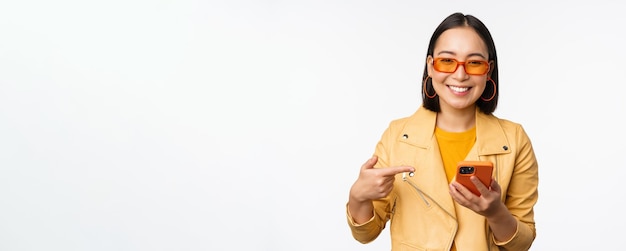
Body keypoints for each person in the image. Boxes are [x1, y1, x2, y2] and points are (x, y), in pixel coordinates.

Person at [346, 12, 539, 250]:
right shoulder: (397, 136)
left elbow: (522, 243)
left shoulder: (514, 139)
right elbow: (366, 234)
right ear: (430, 66)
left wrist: (496, 212)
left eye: (474, 63)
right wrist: (358, 196)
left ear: (488, 71)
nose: (460, 74)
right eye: (447, 61)